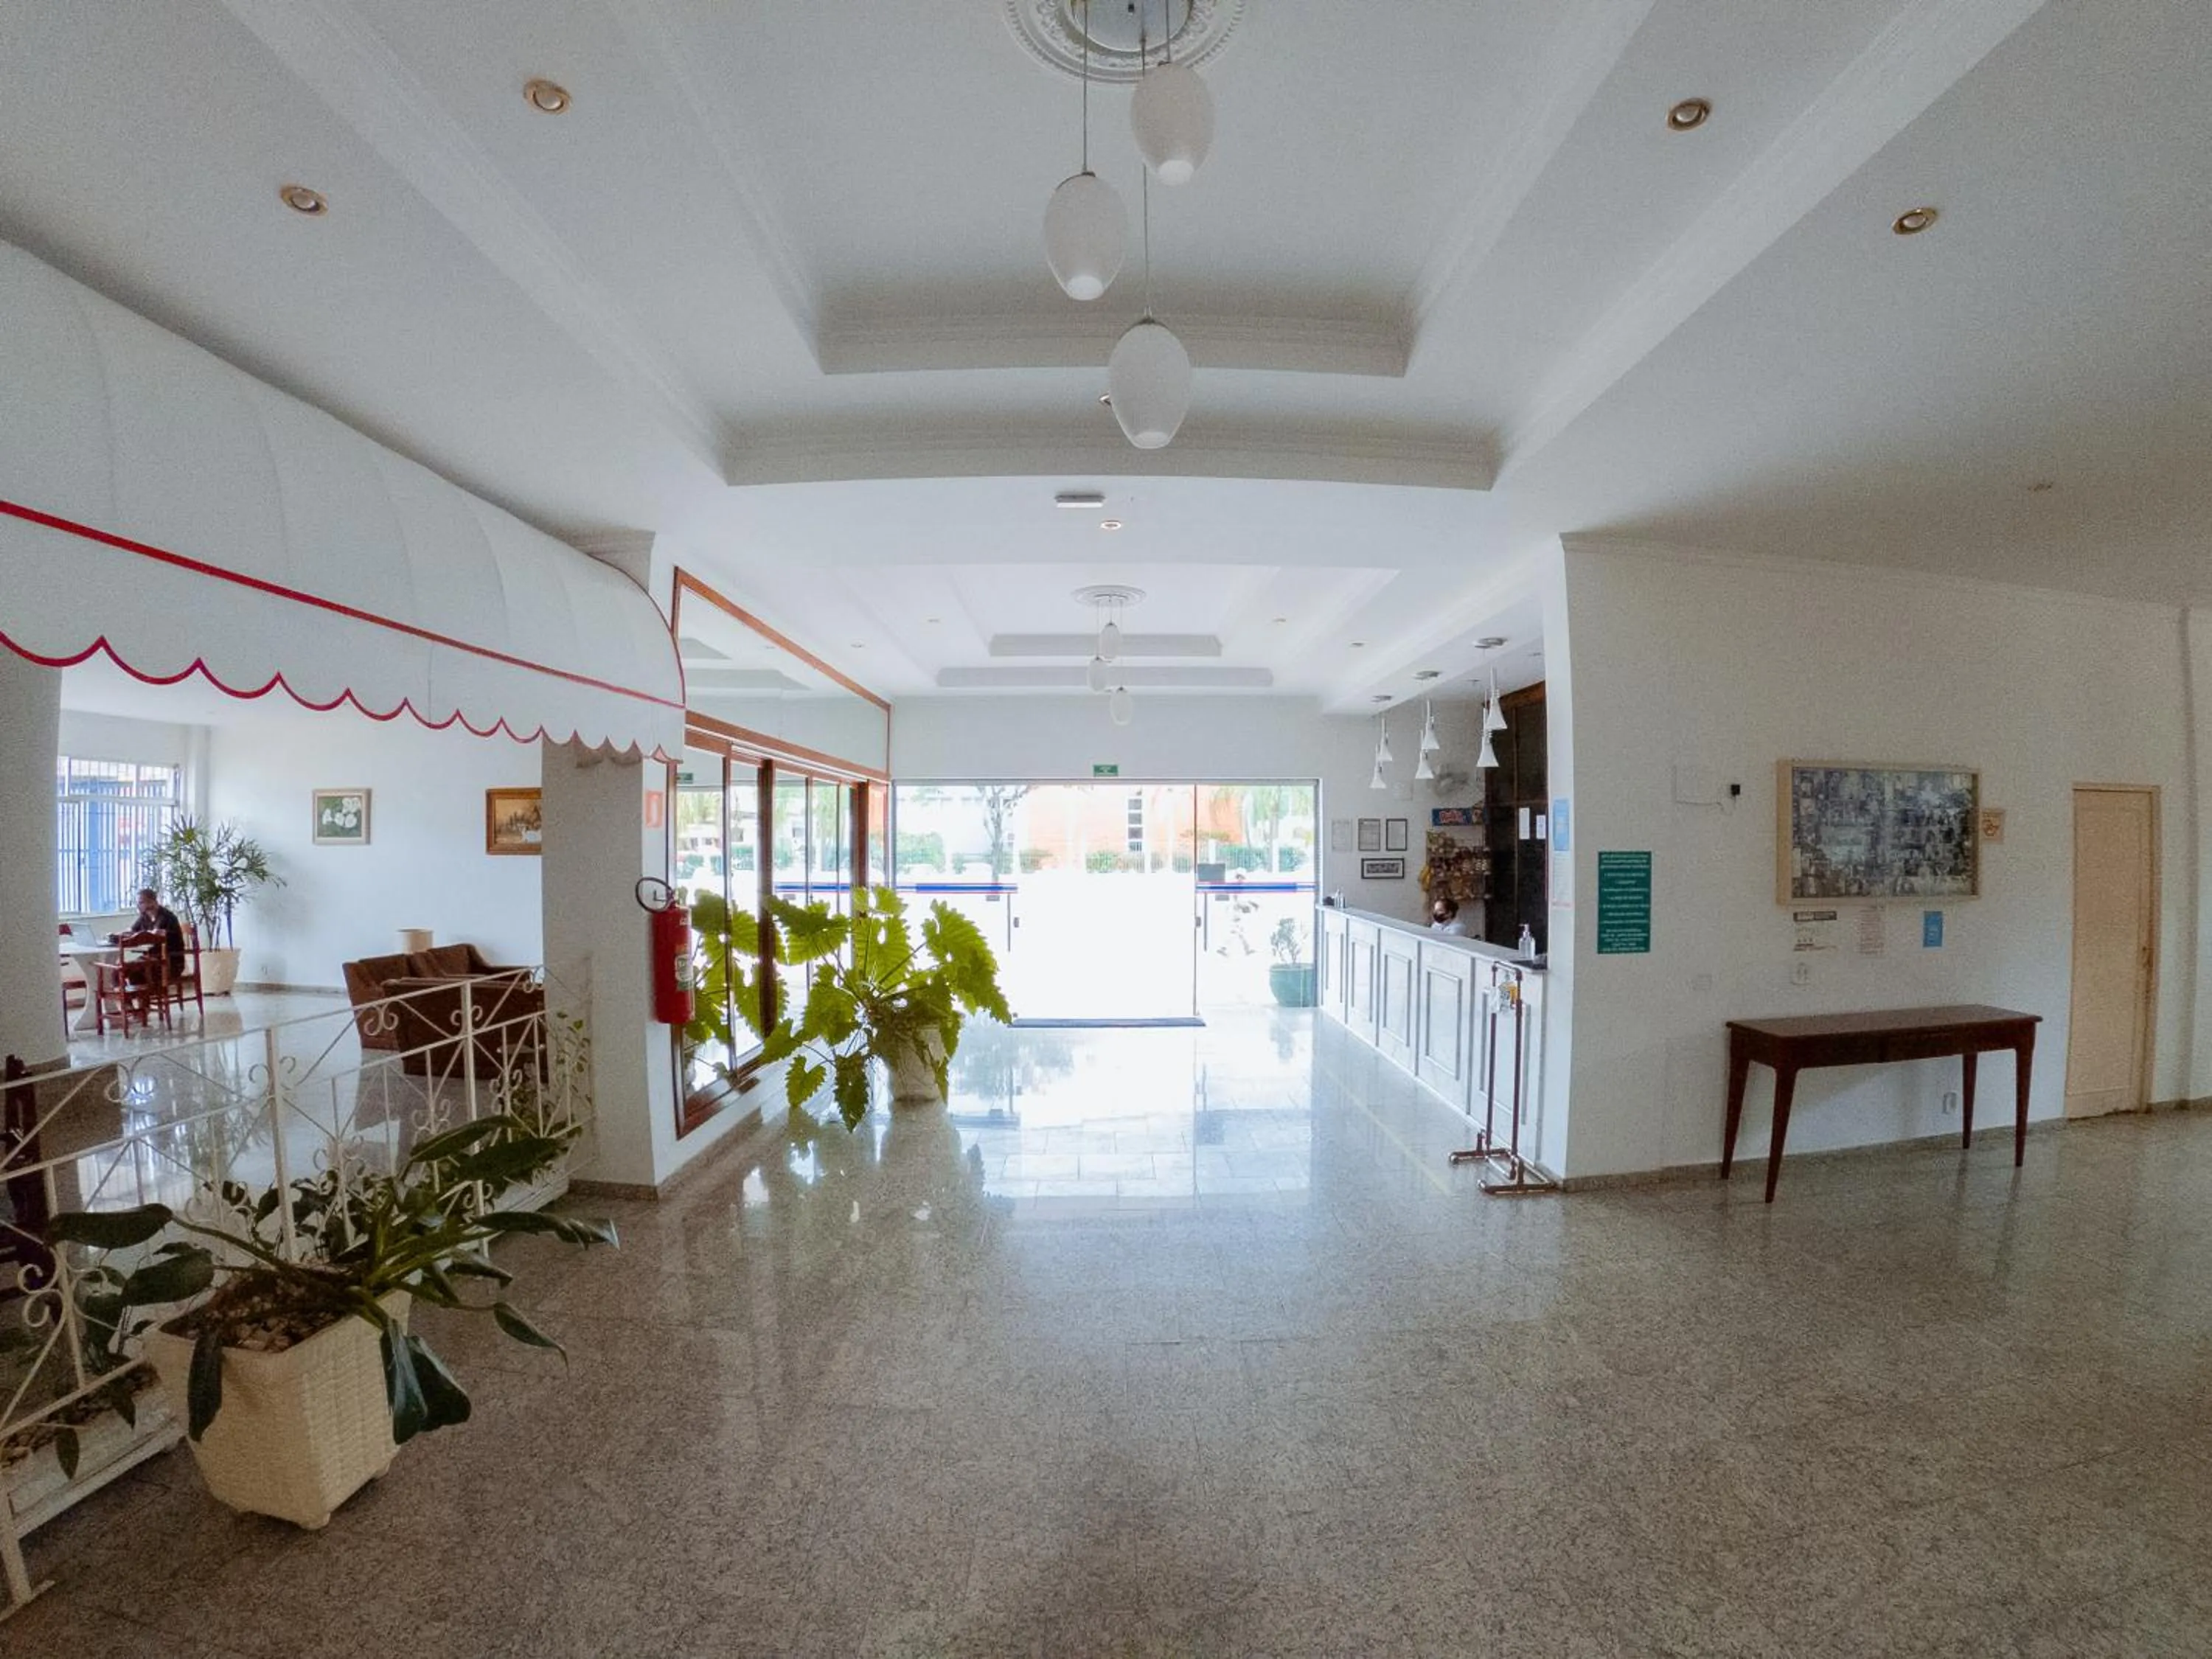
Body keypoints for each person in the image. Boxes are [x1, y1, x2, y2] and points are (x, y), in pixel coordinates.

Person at [109, 887, 187, 1009]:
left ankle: (143, 1007)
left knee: (134, 970)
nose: (138, 906)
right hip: (150, 960)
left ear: (152, 902)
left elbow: (166, 938)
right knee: (118, 971)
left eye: (141, 902)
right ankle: (131, 1006)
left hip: (169, 962)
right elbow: (132, 931)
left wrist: (157, 934)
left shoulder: (168, 917)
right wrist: (116, 935)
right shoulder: (144, 917)